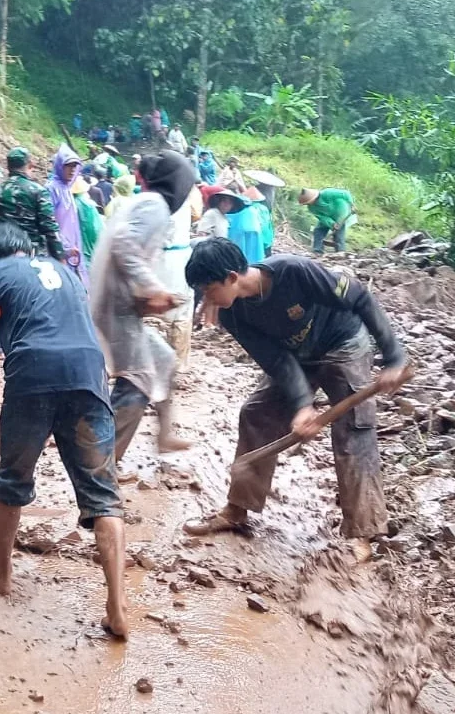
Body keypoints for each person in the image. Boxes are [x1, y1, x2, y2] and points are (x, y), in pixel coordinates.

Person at [182, 239, 408, 561]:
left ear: (231, 277)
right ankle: (237, 510)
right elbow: (276, 361)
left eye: (208, 290)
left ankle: (365, 533)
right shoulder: (233, 314)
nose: (207, 300)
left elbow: (359, 297)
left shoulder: (294, 271)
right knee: (256, 413)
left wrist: (394, 357)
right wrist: (303, 404)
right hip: (296, 356)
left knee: (354, 427)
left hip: (343, 343)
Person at [0, 223, 131, 638]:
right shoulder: (65, 271)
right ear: (27, 251)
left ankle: (3, 575)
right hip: (89, 371)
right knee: (102, 494)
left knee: (12, 479)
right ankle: (116, 604)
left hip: (32, 372)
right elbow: (84, 330)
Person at [91, 150, 195, 470]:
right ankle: (101, 463)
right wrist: (155, 289)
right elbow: (124, 244)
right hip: (115, 307)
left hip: (117, 303)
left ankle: (164, 435)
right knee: (137, 381)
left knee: (163, 359)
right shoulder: (156, 206)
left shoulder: (145, 202)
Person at [0, 147, 66, 263]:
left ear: (8, 166)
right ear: (30, 165)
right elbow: (50, 228)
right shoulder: (38, 191)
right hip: (31, 255)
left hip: (2, 253)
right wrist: (60, 258)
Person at [46, 146, 88, 284]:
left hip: (73, 250)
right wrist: (64, 248)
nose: (72, 170)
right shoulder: (52, 189)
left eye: (75, 166)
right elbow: (49, 221)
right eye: (68, 166)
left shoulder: (67, 189)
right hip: (59, 251)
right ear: (59, 166)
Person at [298, 187, 355, 253]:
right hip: (328, 216)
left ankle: (341, 252)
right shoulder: (311, 208)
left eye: (308, 202)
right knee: (318, 231)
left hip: (341, 213)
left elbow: (345, 193)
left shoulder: (327, 193)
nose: (307, 204)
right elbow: (322, 217)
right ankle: (317, 251)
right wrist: (332, 224)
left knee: (338, 234)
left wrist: (351, 204)